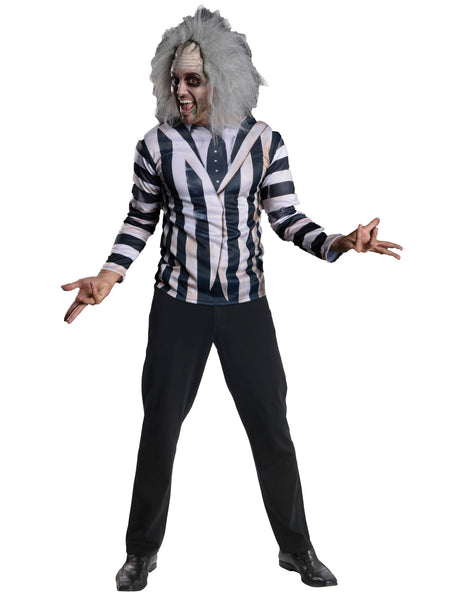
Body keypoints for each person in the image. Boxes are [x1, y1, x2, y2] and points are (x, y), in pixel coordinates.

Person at [62, 7, 402, 592]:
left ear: (223, 78)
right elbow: (140, 219)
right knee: (159, 430)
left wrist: (341, 242)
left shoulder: (266, 142)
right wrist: (109, 275)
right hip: (178, 307)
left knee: (272, 429)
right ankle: (141, 551)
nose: (181, 91)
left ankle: (296, 548)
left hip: (247, 308)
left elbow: (286, 218)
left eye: (194, 80)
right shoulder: (156, 146)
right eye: (175, 79)